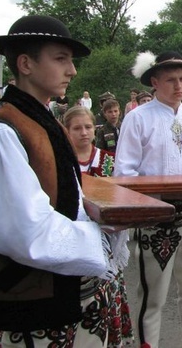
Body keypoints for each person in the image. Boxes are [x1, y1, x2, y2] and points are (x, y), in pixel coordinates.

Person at [0, 15, 127, 346]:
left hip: (52, 296)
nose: (72, 70)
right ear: (25, 64)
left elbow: (64, 199)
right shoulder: (2, 133)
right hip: (23, 307)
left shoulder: (40, 120)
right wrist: (98, 237)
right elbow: (22, 232)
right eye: (60, 59)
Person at [116, 50, 182, 348]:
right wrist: (158, 191)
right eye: (171, 80)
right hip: (157, 219)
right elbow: (124, 173)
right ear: (154, 81)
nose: (179, 86)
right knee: (153, 297)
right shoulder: (137, 119)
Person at [63, 106, 134, 347]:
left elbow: (122, 196)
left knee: (106, 289)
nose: (83, 132)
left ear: (95, 129)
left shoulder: (108, 161)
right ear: (67, 130)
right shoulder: (61, 161)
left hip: (106, 238)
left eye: (88, 127)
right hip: (74, 240)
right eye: (77, 128)